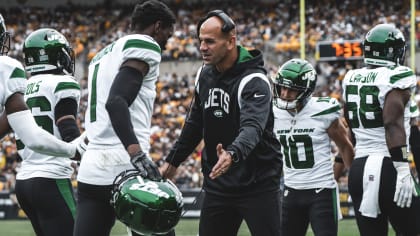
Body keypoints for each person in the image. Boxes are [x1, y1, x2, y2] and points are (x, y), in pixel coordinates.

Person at [159, 10, 283, 236]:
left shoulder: (254, 80)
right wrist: (173, 161)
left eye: (210, 41)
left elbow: (253, 127)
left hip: (259, 183)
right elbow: (195, 123)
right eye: (200, 41)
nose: (203, 47)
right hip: (219, 182)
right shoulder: (204, 75)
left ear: (230, 41)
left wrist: (233, 153)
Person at [74, 1, 176, 236]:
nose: (166, 43)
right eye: (166, 37)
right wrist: (136, 153)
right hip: (126, 165)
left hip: (92, 168)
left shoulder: (101, 55)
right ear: (157, 27)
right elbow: (116, 102)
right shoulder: (144, 44)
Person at [342, 23, 418, 235]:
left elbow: (350, 125)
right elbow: (391, 124)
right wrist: (403, 170)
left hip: (359, 168)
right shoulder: (397, 77)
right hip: (389, 166)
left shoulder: (350, 78)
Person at [271, 58, 354, 236]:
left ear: (306, 91)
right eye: (282, 87)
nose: (284, 94)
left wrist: (354, 182)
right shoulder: (273, 113)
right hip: (290, 190)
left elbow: (345, 147)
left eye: (291, 89)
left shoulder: (323, 111)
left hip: (321, 190)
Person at [13, 28, 82, 236]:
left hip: (24, 181)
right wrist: (84, 151)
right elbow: (67, 125)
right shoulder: (63, 83)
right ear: (56, 55)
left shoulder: (22, 87)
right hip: (51, 178)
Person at [0, 14, 83, 160]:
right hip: (53, 172)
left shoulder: (25, 86)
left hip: (24, 174)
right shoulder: (62, 83)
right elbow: (68, 129)